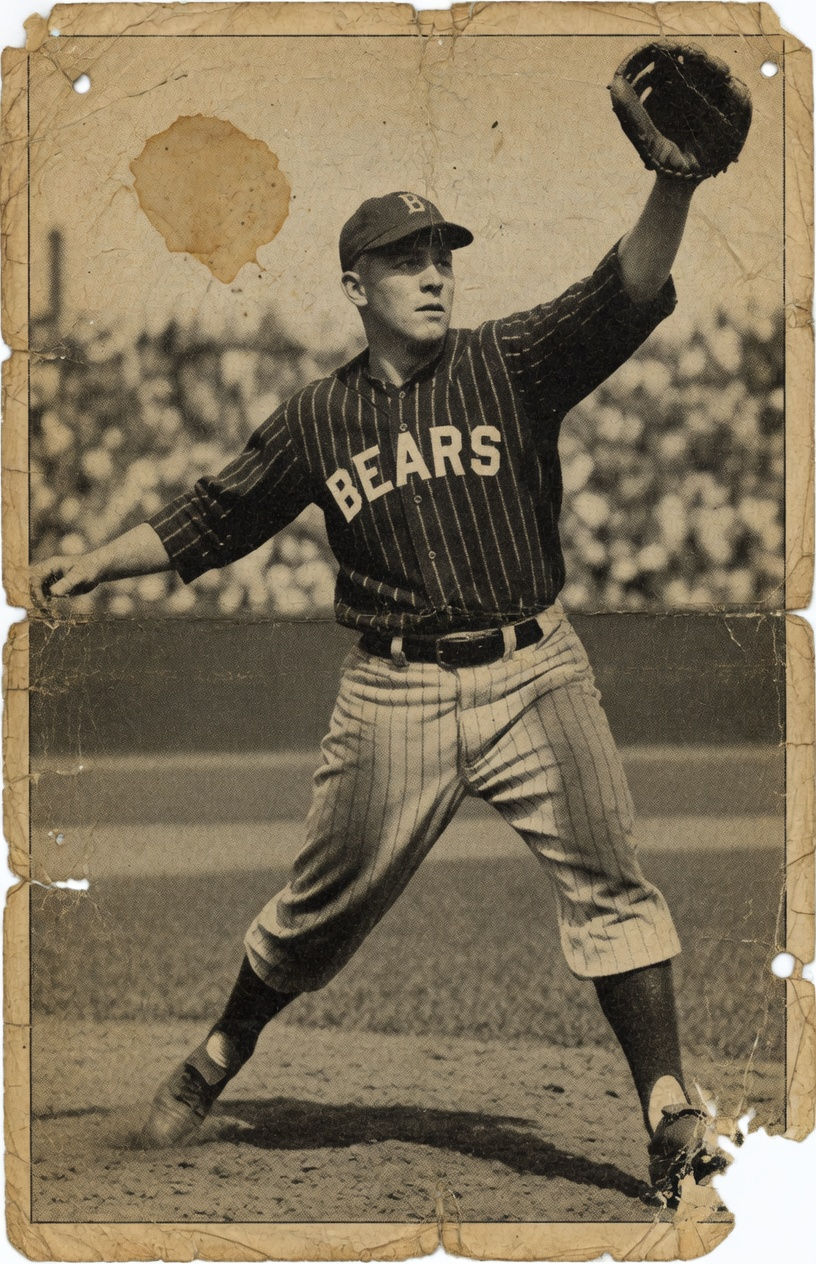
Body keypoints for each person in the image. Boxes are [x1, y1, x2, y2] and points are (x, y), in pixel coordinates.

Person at [30, 179, 723, 1204]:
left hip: (537, 669)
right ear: (356, 285)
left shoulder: (507, 360)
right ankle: (220, 1051)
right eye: (407, 259)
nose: (434, 275)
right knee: (315, 915)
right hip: (393, 694)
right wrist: (96, 560)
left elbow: (622, 291)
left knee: (614, 886)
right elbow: (214, 517)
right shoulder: (319, 417)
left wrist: (675, 184)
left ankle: (668, 1109)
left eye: (442, 256)